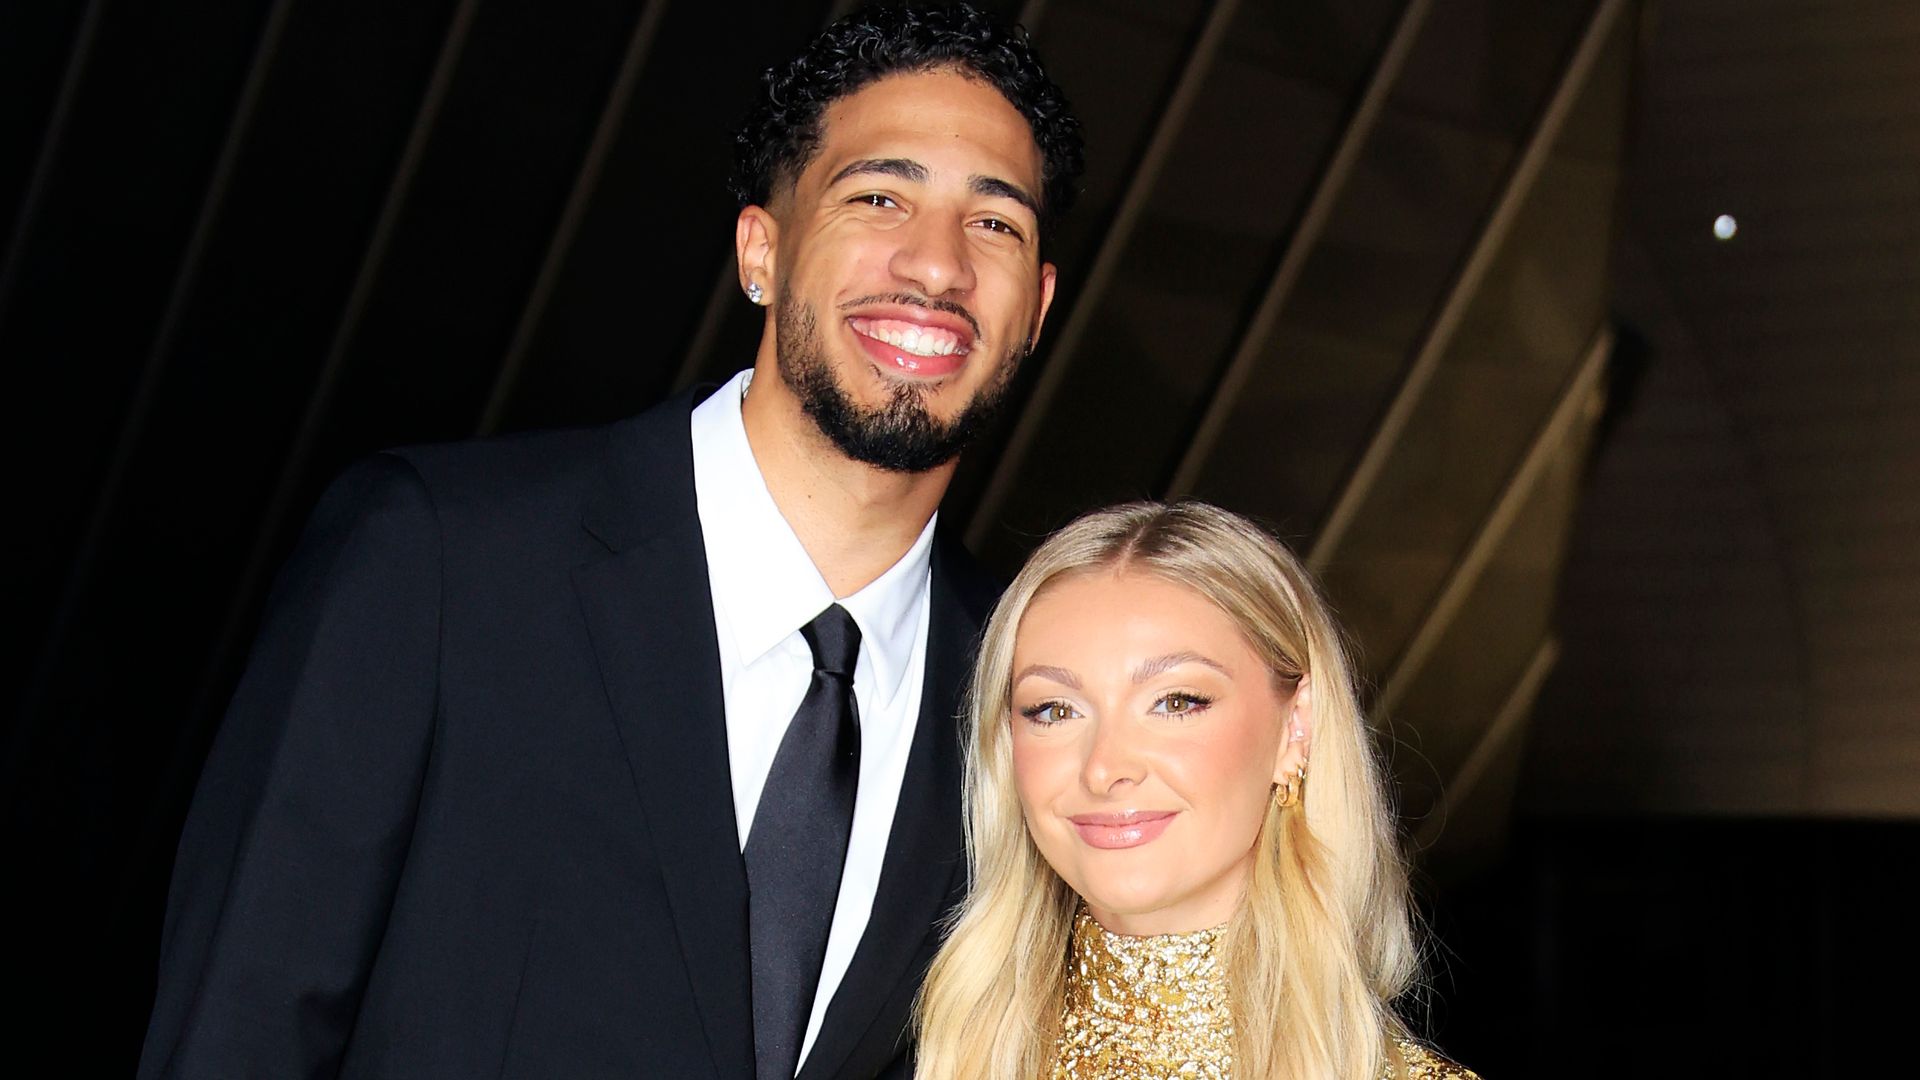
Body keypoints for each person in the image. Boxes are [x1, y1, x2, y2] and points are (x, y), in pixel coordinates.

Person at [137, 5, 1081, 1078]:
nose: (937, 267)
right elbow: (239, 1027)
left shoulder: (1035, 697)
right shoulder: (444, 557)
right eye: (879, 197)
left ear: (1039, 304)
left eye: (995, 223)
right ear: (761, 249)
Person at [914, 502, 1478, 1079]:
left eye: (1176, 702)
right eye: (1055, 710)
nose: (1105, 768)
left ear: (1296, 727)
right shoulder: (950, 1057)